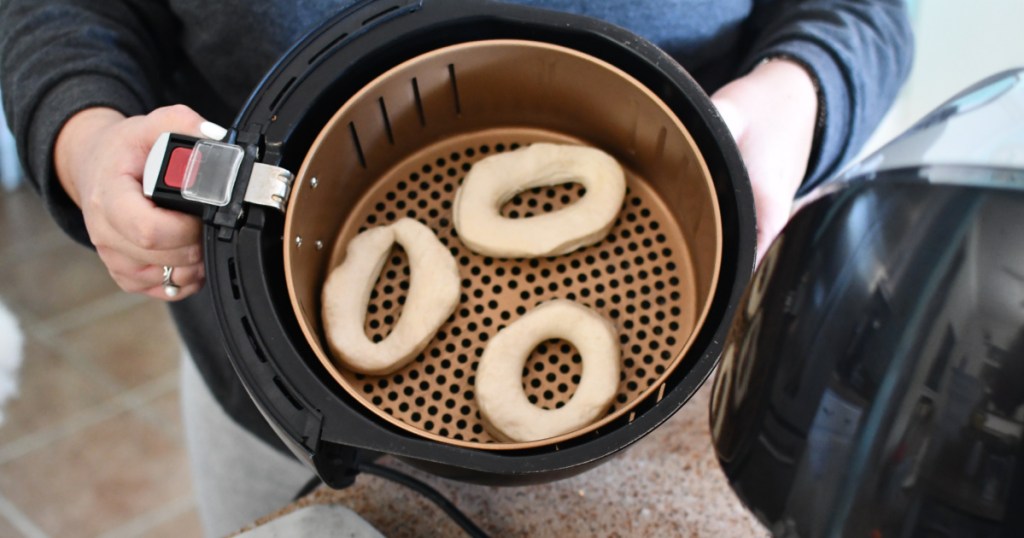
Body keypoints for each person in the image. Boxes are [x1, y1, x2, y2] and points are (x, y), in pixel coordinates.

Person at [0, 0, 913, 535]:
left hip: (678, 400)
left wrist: (803, 90)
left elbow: (861, 11)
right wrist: (85, 135)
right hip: (272, 385)